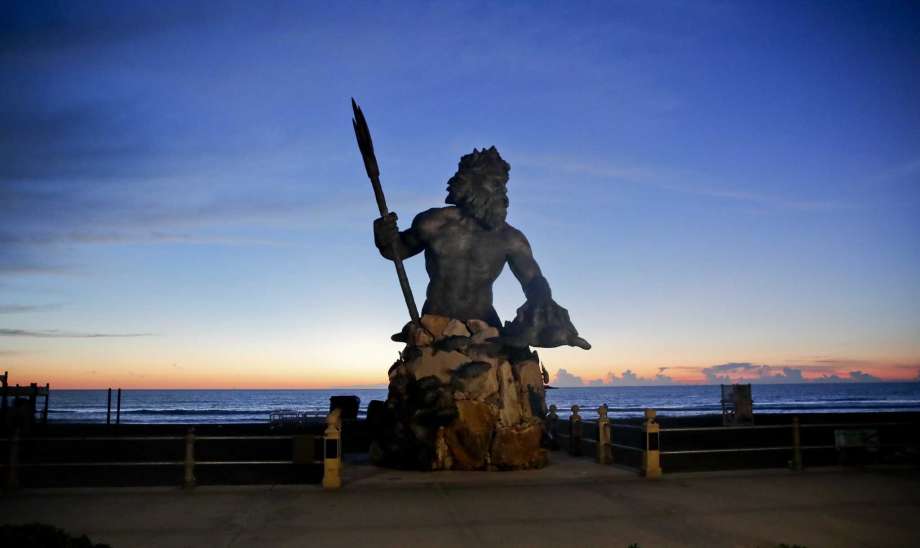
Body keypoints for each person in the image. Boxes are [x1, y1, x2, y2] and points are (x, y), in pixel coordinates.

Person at [374, 146, 589, 350]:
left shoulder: (511, 239)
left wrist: (542, 300)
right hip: (435, 326)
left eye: (504, 187)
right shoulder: (433, 223)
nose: (503, 196)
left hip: (484, 325)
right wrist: (384, 238)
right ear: (472, 185)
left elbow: (533, 280)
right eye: (496, 186)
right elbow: (397, 251)